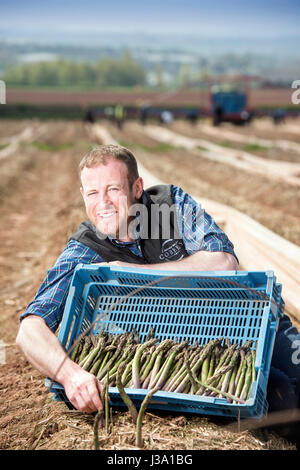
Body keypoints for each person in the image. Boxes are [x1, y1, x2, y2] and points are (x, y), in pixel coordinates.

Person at [16, 145, 300, 428]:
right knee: (279, 394)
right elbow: (30, 329)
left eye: (113, 189)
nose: (103, 202)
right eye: (92, 193)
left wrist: (133, 272)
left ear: (137, 188)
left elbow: (224, 262)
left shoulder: (170, 206)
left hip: (247, 321)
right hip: (190, 351)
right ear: (83, 195)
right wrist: (69, 375)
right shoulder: (85, 250)